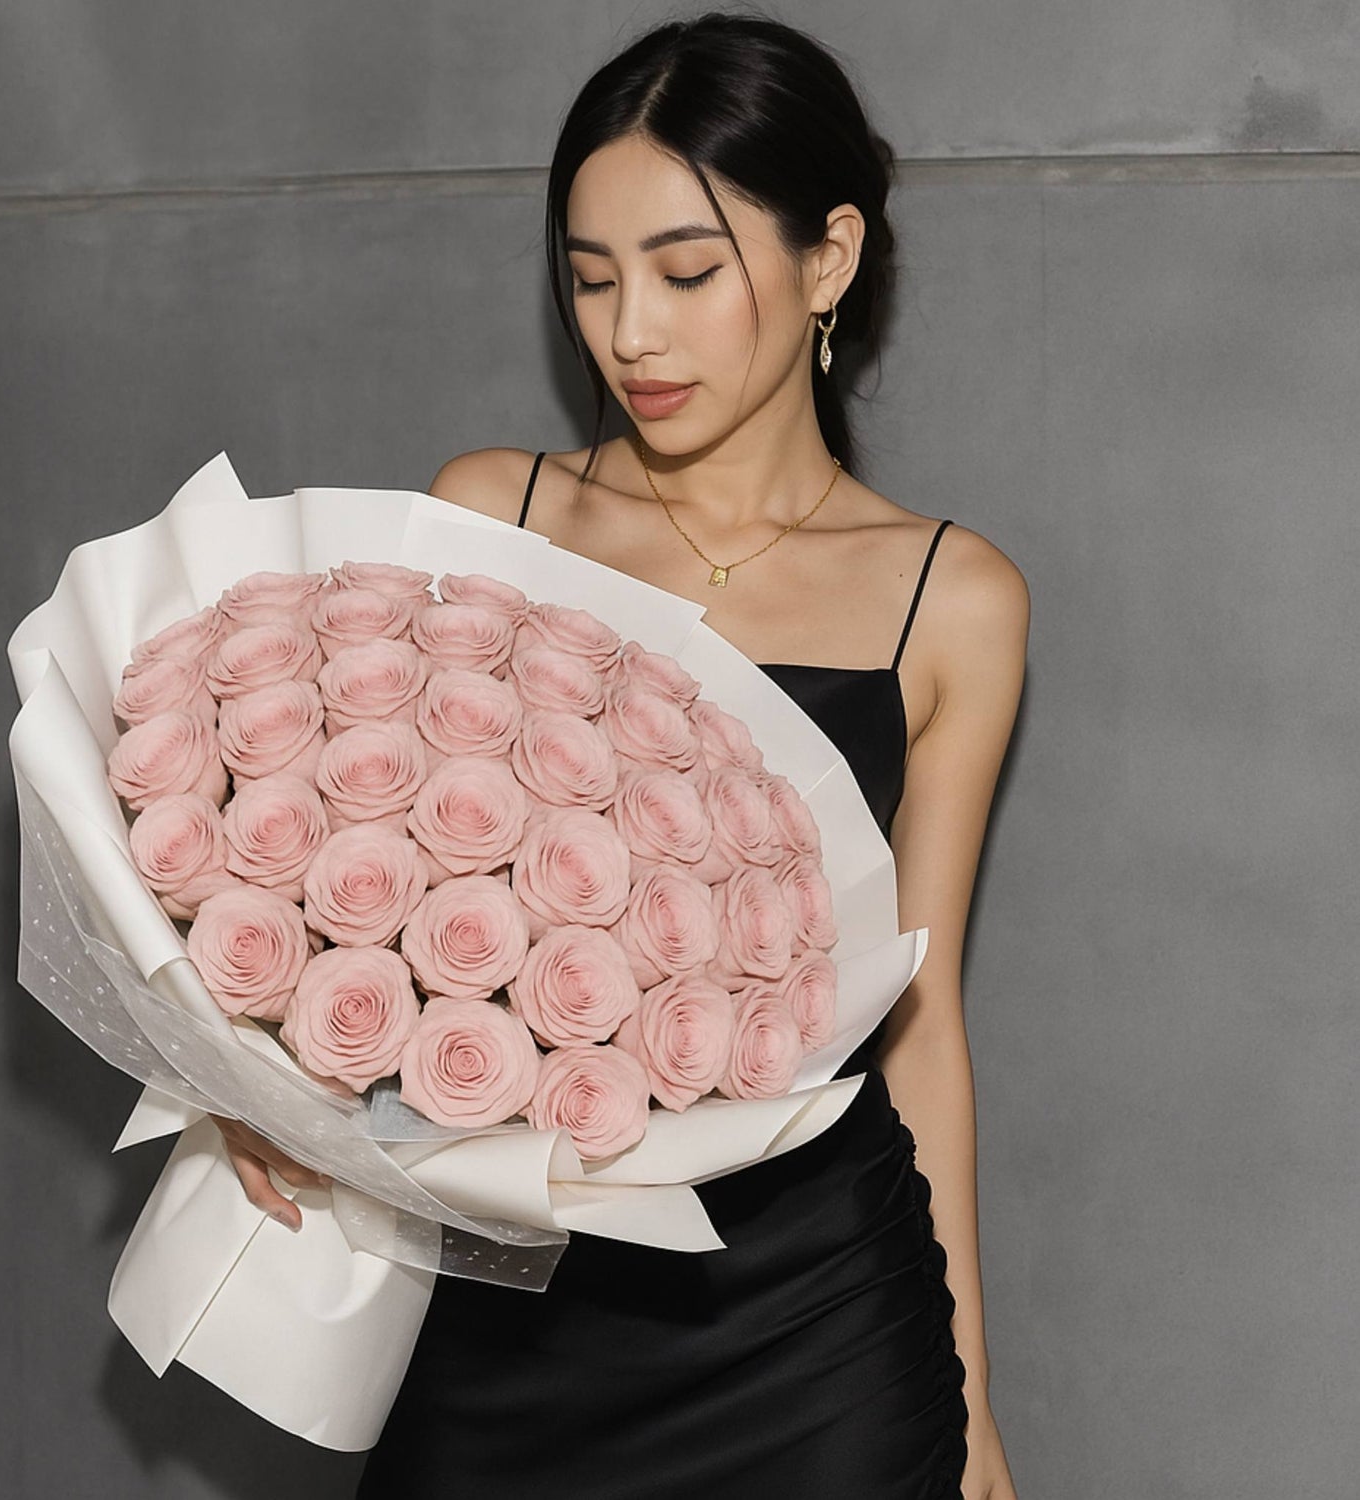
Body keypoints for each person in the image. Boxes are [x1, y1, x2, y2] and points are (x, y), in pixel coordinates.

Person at [213, 12, 1026, 1497]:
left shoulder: (950, 599)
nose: (629, 333)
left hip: (819, 1327)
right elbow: (363, 902)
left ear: (828, 258)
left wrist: (970, 1411)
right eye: (590, 280)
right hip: (517, 1310)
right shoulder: (491, 516)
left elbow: (920, 1026)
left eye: (686, 271)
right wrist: (258, 1078)